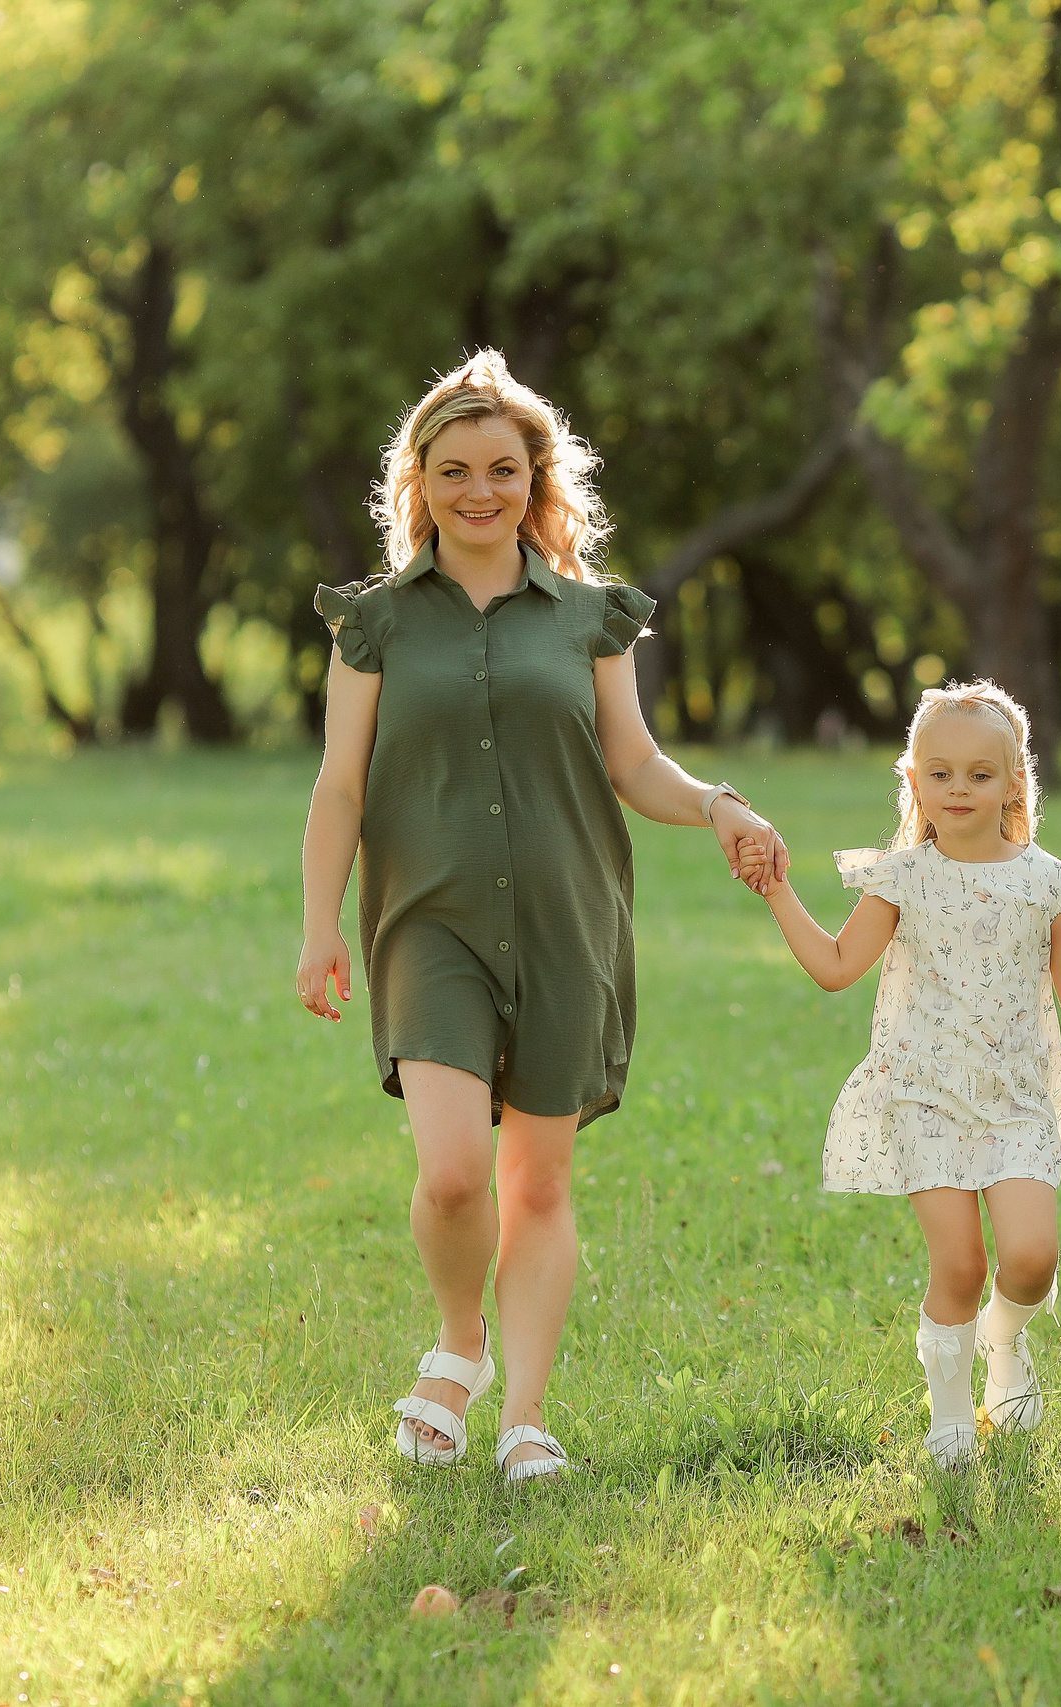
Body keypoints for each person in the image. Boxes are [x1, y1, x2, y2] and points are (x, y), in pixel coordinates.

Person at [295, 350, 785, 1484]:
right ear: (417, 482)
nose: (480, 490)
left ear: (535, 479)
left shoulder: (587, 618)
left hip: (570, 917)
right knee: (458, 1171)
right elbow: (340, 785)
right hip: (428, 923)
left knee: (540, 1183)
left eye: (503, 470)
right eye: (455, 469)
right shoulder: (372, 625)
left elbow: (635, 763)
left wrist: (714, 805)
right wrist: (320, 923)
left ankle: (524, 1416)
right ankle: (458, 1342)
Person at [735, 681, 1061, 1467]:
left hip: (1016, 1096)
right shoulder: (902, 877)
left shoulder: (1046, 880)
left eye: (978, 774)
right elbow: (835, 965)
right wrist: (777, 891)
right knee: (959, 1262)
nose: (957, 789)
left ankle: (1005, 1339)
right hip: (923, 1093)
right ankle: (952, 1410)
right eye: (939, 773)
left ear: (1014, 785)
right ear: (914, 782)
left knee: (1032, 1257)